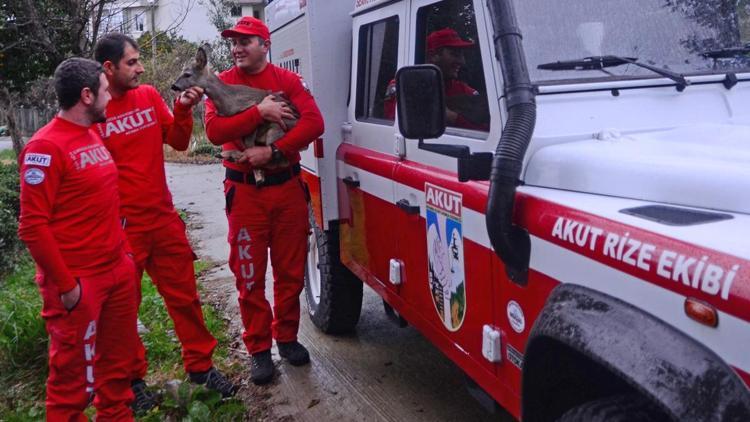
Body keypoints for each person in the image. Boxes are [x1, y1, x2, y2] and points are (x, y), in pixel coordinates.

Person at [93, 33, 237, 411]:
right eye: (132, 62)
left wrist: (184, 110)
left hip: (162, 217)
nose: (141, 68)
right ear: (109, 68)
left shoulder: (148, 96)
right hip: (122, 227)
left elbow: (177, 142)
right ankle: (132, 381)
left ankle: (201, 368)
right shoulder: (95, 110)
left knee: (185, 297)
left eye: (140, 60)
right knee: (124, 309)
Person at [204, 16, 324, 385]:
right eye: (233, 43)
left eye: (245, 41)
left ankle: (286, 338)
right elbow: (213, 131)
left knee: (289, 272)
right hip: (244, 195)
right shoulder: (221, 83)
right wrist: (259, 113)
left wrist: (272, 151)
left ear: (265, 44)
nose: (237, 48)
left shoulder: (286, 81)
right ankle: (259, 350)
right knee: (249, 274)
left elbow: (314, 123)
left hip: (286, 188)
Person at [18, 57, 138, 421]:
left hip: (116, 273)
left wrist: (125, 260)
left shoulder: (92, 134)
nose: (109, 98)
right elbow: (32, 227)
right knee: (73, 390)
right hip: (78, 285)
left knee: (117, 378)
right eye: (104, 91)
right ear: (86, 95)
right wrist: (69, 287)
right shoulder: (44, 148)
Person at [384, 27, 489, 130]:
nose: (462, 62)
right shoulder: (405, 85)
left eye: (462, 55)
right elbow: (396, 124)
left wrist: (452, 117)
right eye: (455, 54)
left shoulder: (467, 91)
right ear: (433, 56)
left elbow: (486, 130)